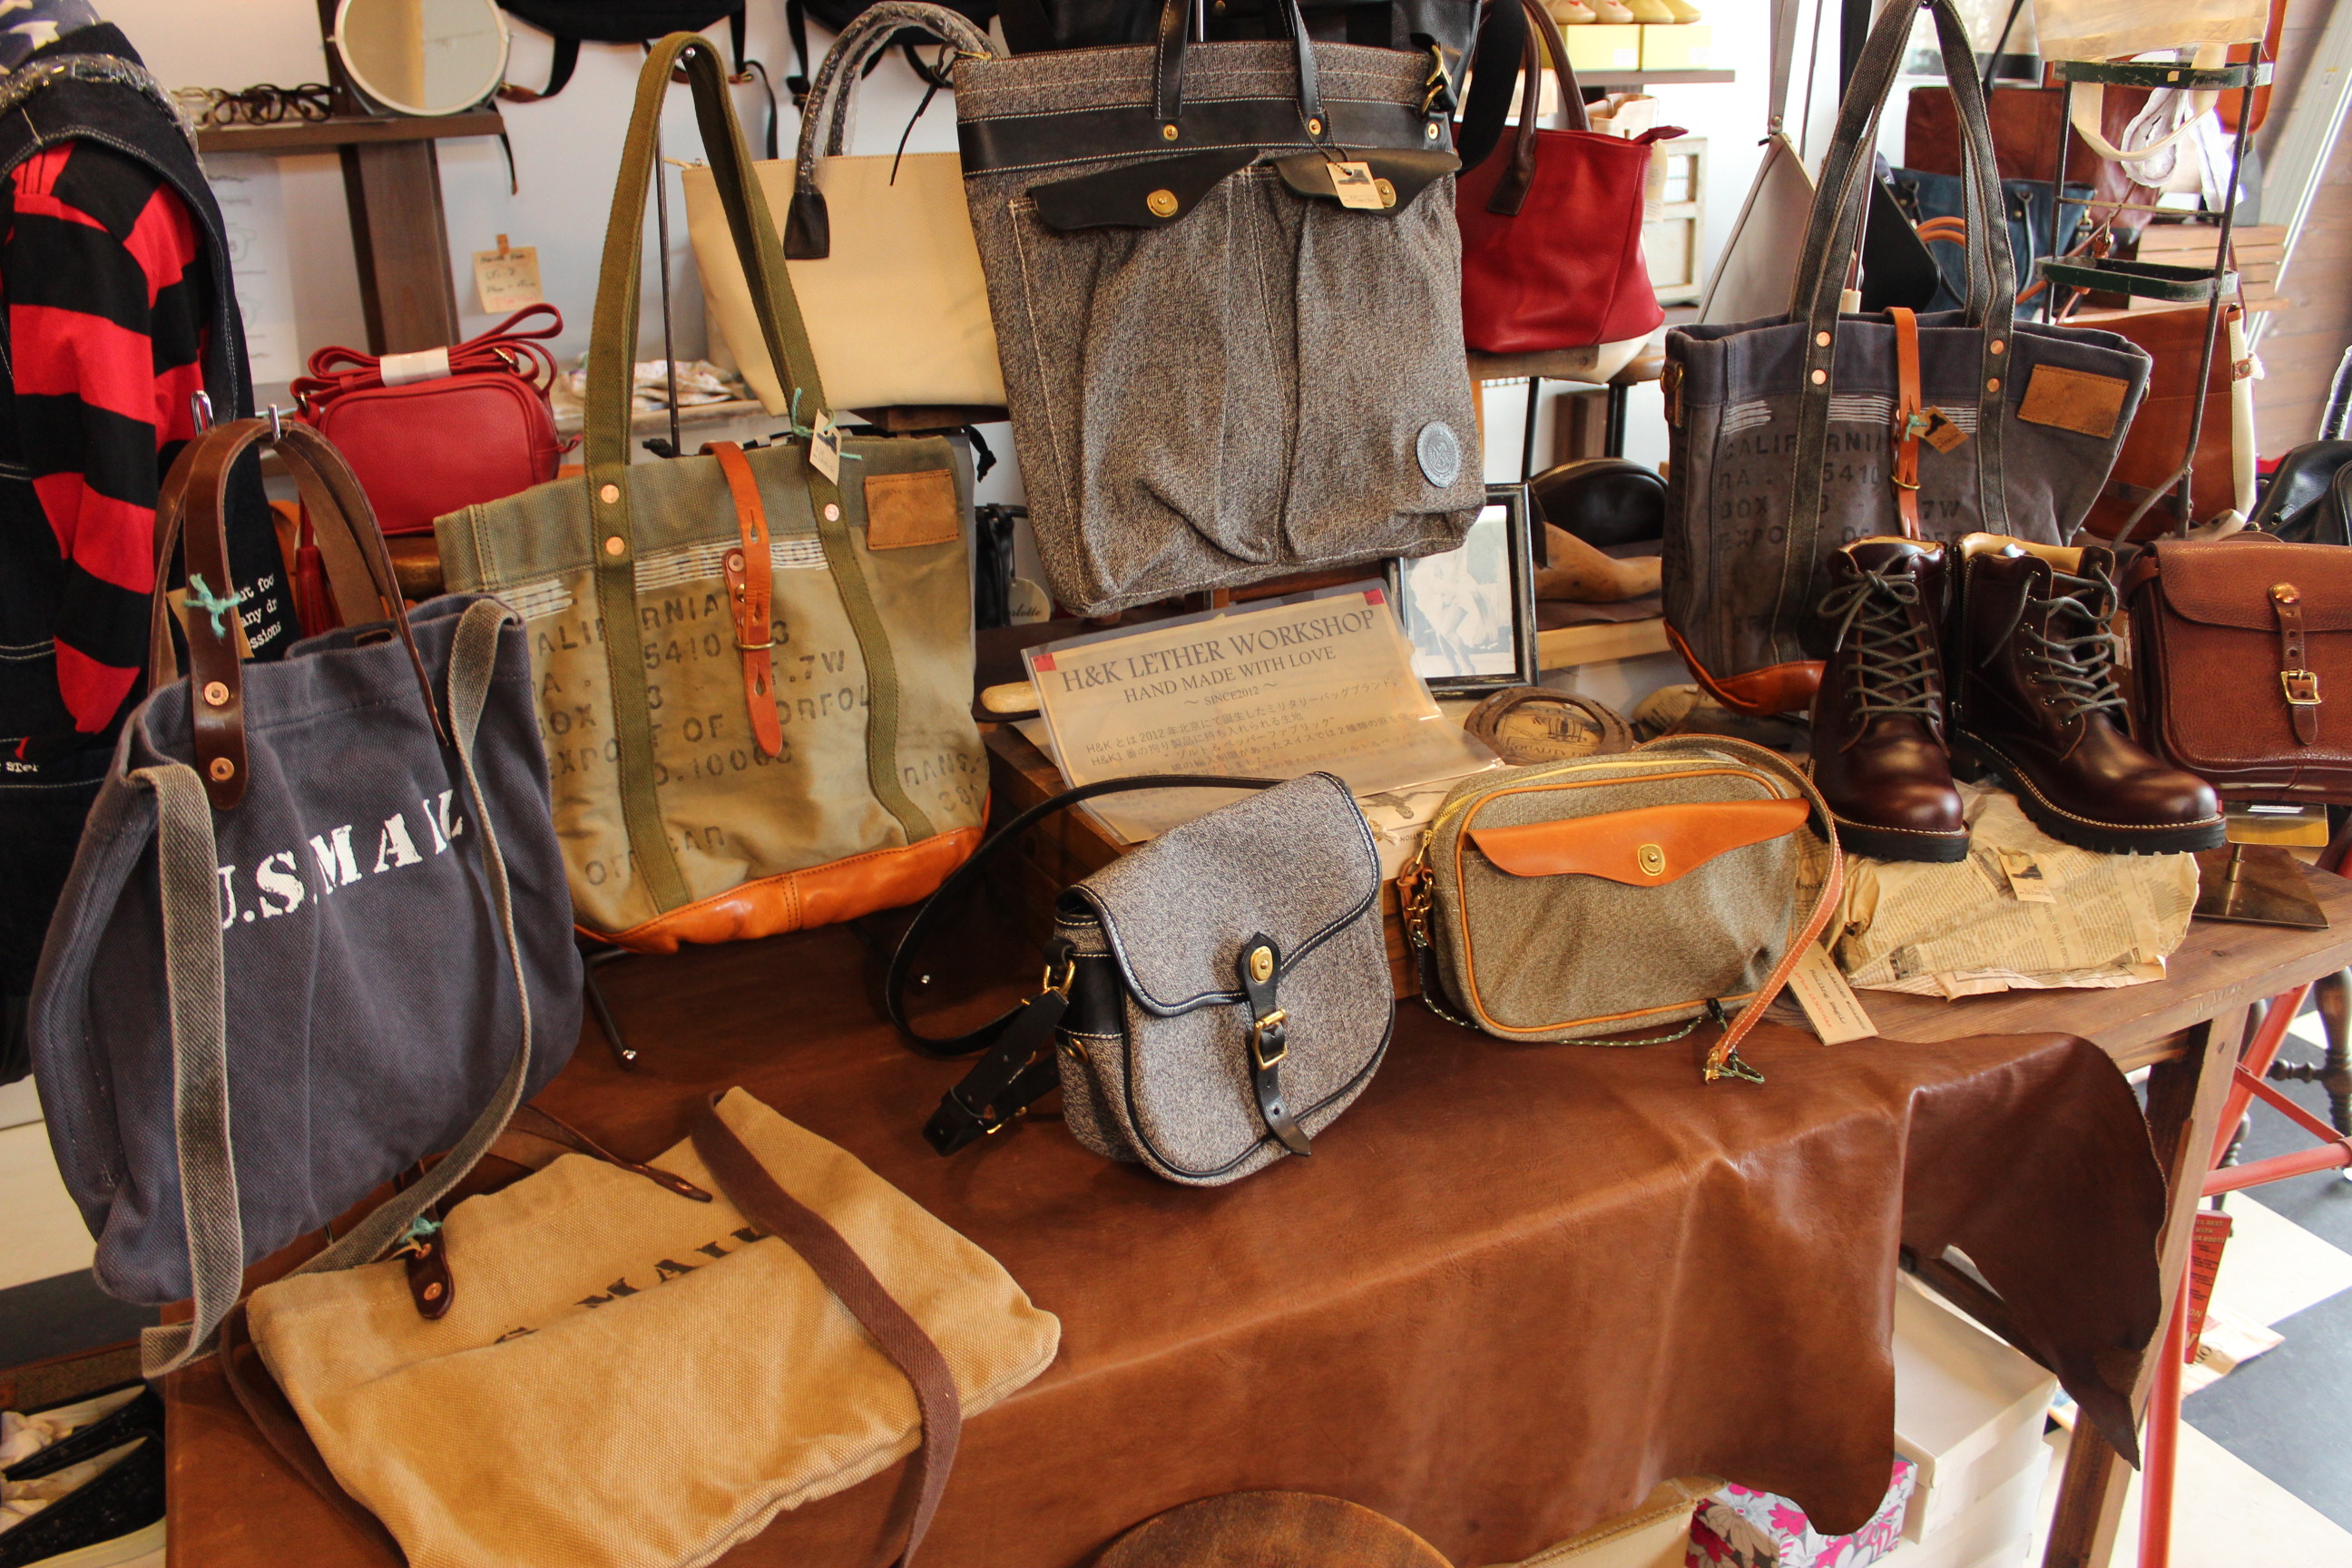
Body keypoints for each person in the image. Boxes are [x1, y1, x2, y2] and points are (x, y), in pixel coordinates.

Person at [0, 2, 293, 1083]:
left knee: (103, 1036)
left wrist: (75, 734)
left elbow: (112, 503)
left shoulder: (59, 181)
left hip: (76, 720)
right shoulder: (111, 112)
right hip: (144, 681)